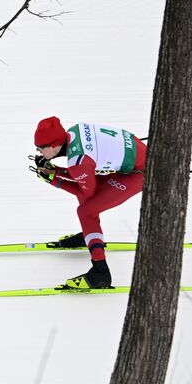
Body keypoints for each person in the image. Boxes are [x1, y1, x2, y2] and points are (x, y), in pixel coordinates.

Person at [31, 117, 147, 290]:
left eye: (41, 148)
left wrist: (55, 180)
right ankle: (89, 236)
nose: (39, 152)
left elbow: (86, 191)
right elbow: (84, 172)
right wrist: (56, 171)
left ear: (54, 146)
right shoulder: (74, 131)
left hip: (140, 173)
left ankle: (100, 273)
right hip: (134, 157)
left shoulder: (77, 161)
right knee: (88, 204)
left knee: (86, 211)